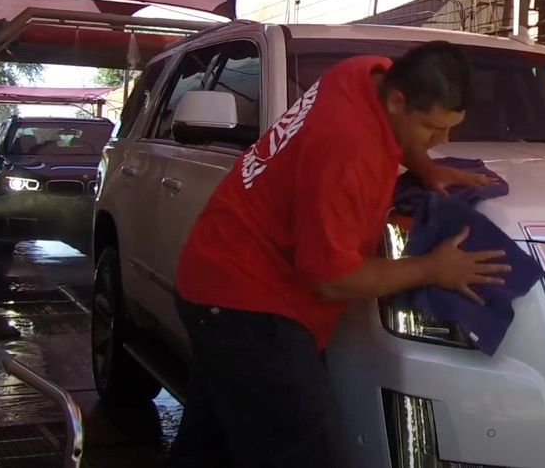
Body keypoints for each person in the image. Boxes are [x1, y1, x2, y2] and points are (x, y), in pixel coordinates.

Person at [168, 41, 510, 467]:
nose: (442, 141)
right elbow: (330, 280)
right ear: (398, 100)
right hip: (247, 301)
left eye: (448, 129)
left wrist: (424, 165)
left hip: (214, 275)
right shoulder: (347, 149)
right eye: (430, 128)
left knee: (214, 444)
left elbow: (396, 131)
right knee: (303, 449)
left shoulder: (366, 72)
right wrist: (430, 268)